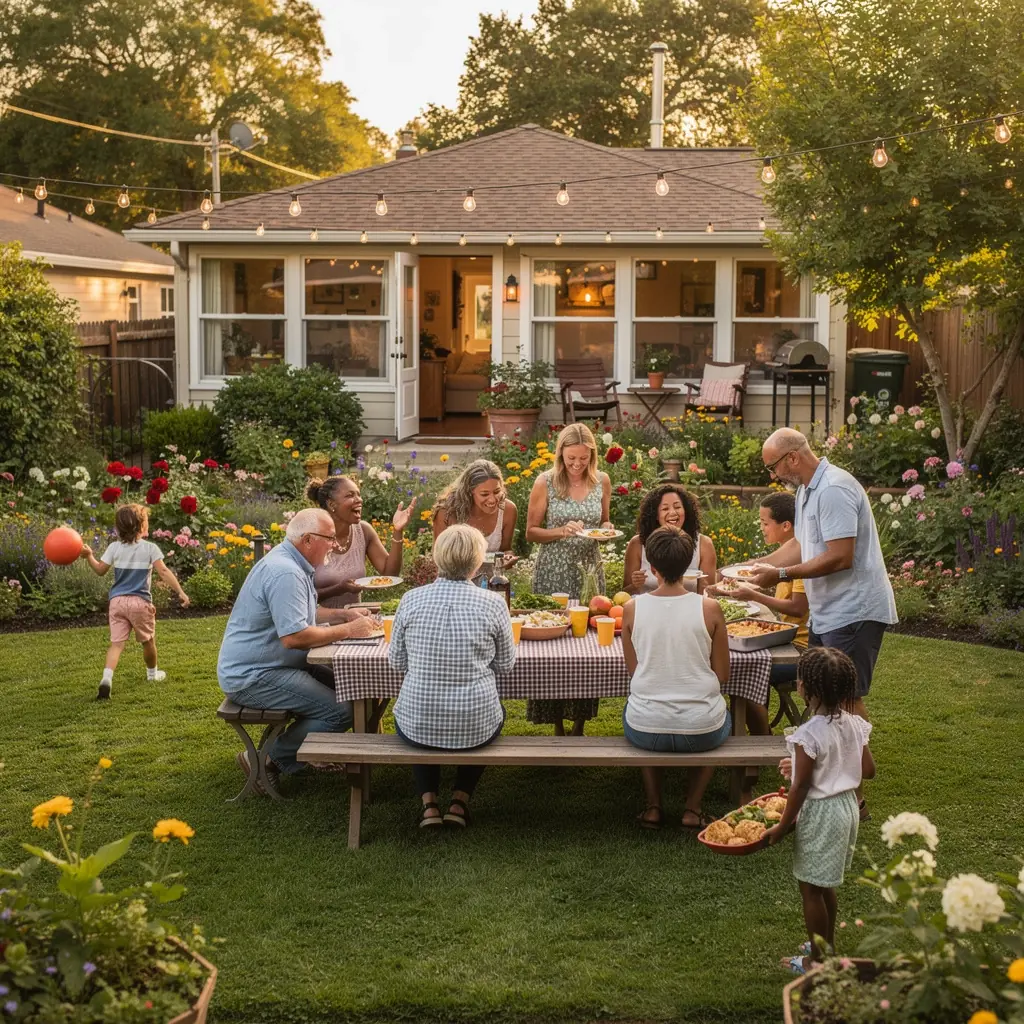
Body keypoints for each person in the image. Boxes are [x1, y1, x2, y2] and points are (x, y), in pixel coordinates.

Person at [748, 427, 895, 821]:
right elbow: (801, 546)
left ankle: (855, 796)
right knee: (821, 692)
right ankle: (832, 778)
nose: (774, 476)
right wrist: (750, 568)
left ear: (792, 458)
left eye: (774, 467)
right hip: (830, 610)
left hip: (854, 610)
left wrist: (779, 577)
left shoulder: (832, 488)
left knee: (845, 699)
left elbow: (840, 556)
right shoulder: (807, 490)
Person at [217, 508, 379, 787]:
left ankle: (321, 749)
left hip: (280, 665)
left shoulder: (291, 563)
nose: (335, 545)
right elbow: (294, 637)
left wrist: (342, 615)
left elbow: (302, 612)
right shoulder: (286, 573)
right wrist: (349, 630)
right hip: (255, 676)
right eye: (329, 538)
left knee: (359, 689)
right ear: (307, 540)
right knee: (341, 711)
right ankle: (266, 759)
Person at [389, 524, 516, 829]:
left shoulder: (411, 600)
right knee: (491, 715)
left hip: (416, 722)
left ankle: (429, 805)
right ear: (477, 562)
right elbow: (506, 665)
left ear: (437, 558)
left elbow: (397, 662)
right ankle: (459, 801)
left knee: (421, 715)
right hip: (476, 724)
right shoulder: (494, 603)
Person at [764, 647, 875, 974]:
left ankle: (817, 962)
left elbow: (800, 787)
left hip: (822, 812)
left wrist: (783, 826)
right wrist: (800, 764)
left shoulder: (808, 733)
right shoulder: (855, 724)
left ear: (804, 688)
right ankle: (825, 944)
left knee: (810, 888)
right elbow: (866, 770)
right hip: (847, 808)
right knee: (825, 883)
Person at [621, 527, 731, 830]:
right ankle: (692, 808)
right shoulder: (710, 608)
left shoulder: (631, 608)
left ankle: (654, 806)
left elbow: (635, 672)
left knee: (639, 708)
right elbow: (722, 674)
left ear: (651, 567)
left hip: (645, 730)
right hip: (702, 731)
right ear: (690, 567)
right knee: (723, 716)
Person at [525, 422, 613, 736]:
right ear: (560, 455)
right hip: (553, 572)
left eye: (583, 459)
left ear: (592, 456)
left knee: (588, 646)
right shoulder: (545, 482)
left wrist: (605, 529)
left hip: (589, 571)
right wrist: (561, 531)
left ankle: (580, 722)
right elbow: (531, 532)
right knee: (553, 645)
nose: (576, 465)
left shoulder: (602, 480)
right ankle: (557, 723)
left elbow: (604, 520)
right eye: (570, 459)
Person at [80, 503, 190, 701]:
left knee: (116, 645)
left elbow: (100, 570)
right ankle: (152, 674)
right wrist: (180, 592)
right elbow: (163, 572)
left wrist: (89, 556)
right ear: (141, 527)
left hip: (117, 603)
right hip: (140, 603)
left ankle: (107, 678)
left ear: (118, 528)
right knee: (148, 641)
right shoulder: (150, 548)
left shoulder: (114, 548)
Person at [721, 491, 809, 736]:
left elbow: (797, 608)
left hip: (798, 651)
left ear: (786, 526)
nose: (761, 528)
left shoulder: (801, 562)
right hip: (782, 641)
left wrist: (754, 596)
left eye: (764, 523)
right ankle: (756, 734)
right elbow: (763, 575)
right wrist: (727, 588)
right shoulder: (787, 557)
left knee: (740, 671)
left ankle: (761, 739)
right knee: (738, 663)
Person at [308, 476, 415, 609]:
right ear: (331, 504)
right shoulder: (312, 537)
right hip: (318, 624)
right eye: (350, 495)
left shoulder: (363, 531)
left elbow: (390, 573)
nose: (359, 500)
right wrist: (338, 589)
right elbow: (300, 597)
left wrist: (397, 530)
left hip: (355, 620)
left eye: (359, 494)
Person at [623, 484, 717, 595]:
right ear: (656, 515)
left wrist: (704, 586)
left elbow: (709, 595)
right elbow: (624, 594)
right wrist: (634, 585)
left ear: (686, 511)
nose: (673, 513)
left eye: (677, 507)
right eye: (665, 508)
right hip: (648, 608)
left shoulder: (704, 544)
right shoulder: (637, 544)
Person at [432, 459, 518, 556]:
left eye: (497, 492)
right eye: (484, 494)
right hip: (455, 571)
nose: (492, 500)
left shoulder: (508, 510)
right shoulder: (446, 513)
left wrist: (508, 557)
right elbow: (438, 557)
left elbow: (505, 550)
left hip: (494, 571)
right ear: (469, 492)